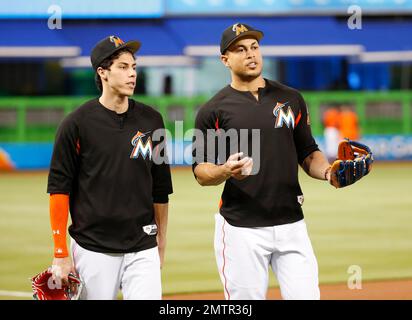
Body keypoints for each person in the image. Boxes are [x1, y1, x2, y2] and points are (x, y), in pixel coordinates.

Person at [192, 23, 340, 300]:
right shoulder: (213, 110)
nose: (251, 54)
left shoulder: (291, 98)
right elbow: (200, 170)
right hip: (241, 229)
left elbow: (308, 152)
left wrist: (329, 172)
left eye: (254, 47)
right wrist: (224, 170)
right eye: (240, 49)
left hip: (292, 223)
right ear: (225, 59)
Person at [47, 35, 173, 300]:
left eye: (134, 67)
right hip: (94, 248)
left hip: (143, 246)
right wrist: (60, 253)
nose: (132, 74)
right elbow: (59, 190)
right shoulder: (76, 124)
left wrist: (161, 240)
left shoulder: (152, 120)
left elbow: (160, 189)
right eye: (123, 67)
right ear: (103, 72)